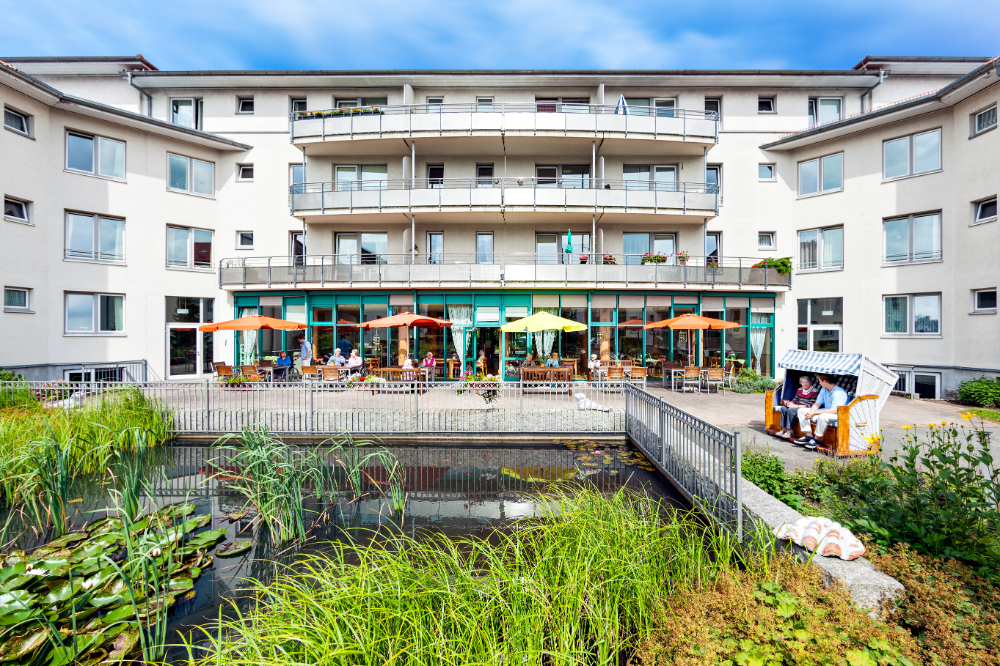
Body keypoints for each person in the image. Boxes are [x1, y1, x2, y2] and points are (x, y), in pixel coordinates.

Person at [796, 373, 849, 450]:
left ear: (825, 381)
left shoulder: (839, 392)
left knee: (823, 416)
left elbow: (834, 410)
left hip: (839, 414)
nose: (819, 383)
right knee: (801, 410)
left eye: (820, 381)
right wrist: (811, 413)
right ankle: (809, 436)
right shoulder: (824, 389)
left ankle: (816, 439)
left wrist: (814, 413)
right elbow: (817, 404)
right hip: (827, 410)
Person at [775, 375, 818, 439]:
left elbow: (812, 405)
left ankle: (790, 431)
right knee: (783, 408)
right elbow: (795, 400)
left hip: (806, 408)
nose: (805, 384)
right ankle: (784, 429)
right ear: (800, 383)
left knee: (791, 410)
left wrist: (796, 406)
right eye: (803, 382)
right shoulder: (800, 390)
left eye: (807, 382)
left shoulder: (814, 391)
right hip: (797, 405)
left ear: (810, 382)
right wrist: (789, 403)